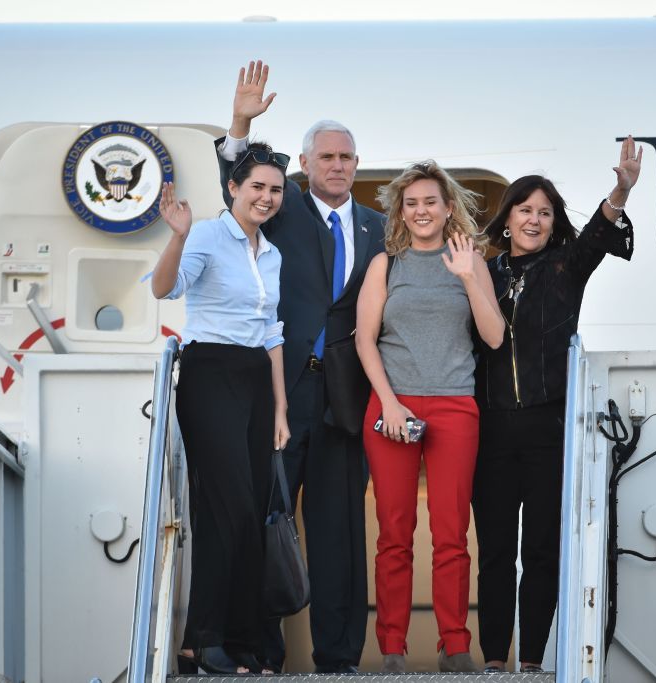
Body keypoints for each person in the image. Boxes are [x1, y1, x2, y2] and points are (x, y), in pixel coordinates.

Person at [213, 61, 387, 674]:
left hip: (348, 397)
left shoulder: (379, 227)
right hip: (282, 392)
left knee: (341, 532)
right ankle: (259, 652)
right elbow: (232, 179)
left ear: (355, 166)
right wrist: (240, 122)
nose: (337, 165)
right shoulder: (279, 208)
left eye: (347, 157)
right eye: (326, 157)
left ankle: (338, 658)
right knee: (267, 517)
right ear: (305, 165)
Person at [471, 137, 643, 673]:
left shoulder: (566, 267)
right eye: (525, 209)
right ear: (507, 219)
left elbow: (597, 233)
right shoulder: (484, 273)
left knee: (541, 550)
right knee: (497, 550)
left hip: (550, 424)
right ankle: (496, 658)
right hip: (493, 426)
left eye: (544, 212)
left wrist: (621, 190)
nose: (535, 219)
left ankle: (531, 661)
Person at [354, 160, 505, 673]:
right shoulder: (386, 264)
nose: (421, 210)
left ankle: (455, 646)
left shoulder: (471, 259)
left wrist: (466, 278)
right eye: (411, 202)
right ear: (401, 210)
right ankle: (392, 648)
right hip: (392, 406)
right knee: (393, 532)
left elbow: (493, 336)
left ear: (447, 209)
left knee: (451, 533)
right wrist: (390, 403)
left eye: (430, 202)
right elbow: (364, 341)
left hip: (454, 405)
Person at [151, 142, 292, 675]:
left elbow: (272, 334)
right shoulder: (207, 234)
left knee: (251, 511)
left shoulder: (272, 253)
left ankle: (238, 641)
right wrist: (178, 236)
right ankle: (202, 640)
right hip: (210, 374)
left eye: (275, 189)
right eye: (256, 186)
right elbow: (166, 289)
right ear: (233, 187)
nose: (266, 197)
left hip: (257, 380)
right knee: (224, 508)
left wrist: (279, 407)